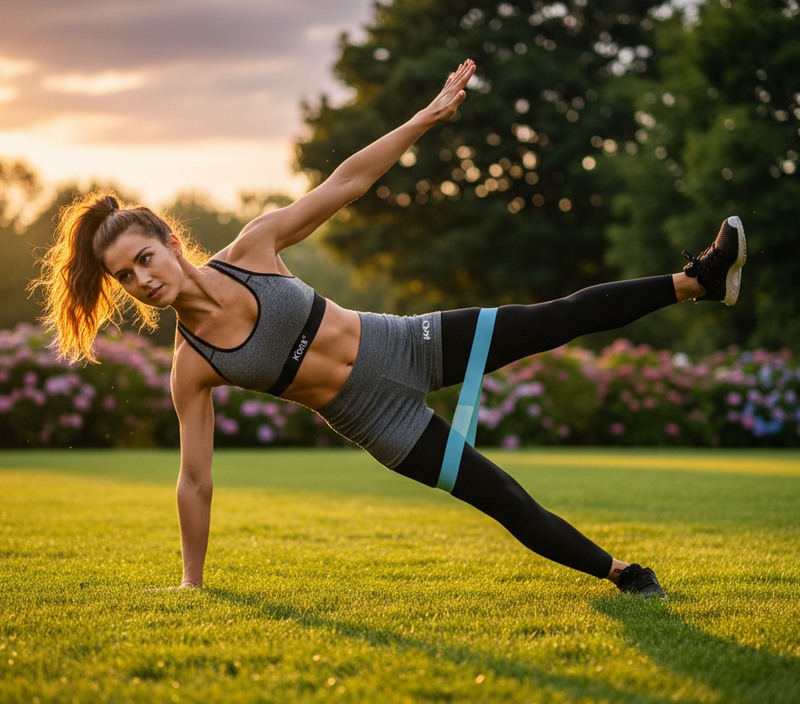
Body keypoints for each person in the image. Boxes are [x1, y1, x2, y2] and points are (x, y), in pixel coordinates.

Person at [35, 60, 746, 599]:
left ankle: (697, 282)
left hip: (408, 341)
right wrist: (193, 582)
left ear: (166, 237)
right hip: (383, 422)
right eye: (125, 277)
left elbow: (343, 184)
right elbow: (195, 480)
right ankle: (622, 574)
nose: (143, 280)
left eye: (144, 258)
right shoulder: (191, 364)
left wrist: (427, 116)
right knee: (502, 498)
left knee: (556, 317)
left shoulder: (252, 250)